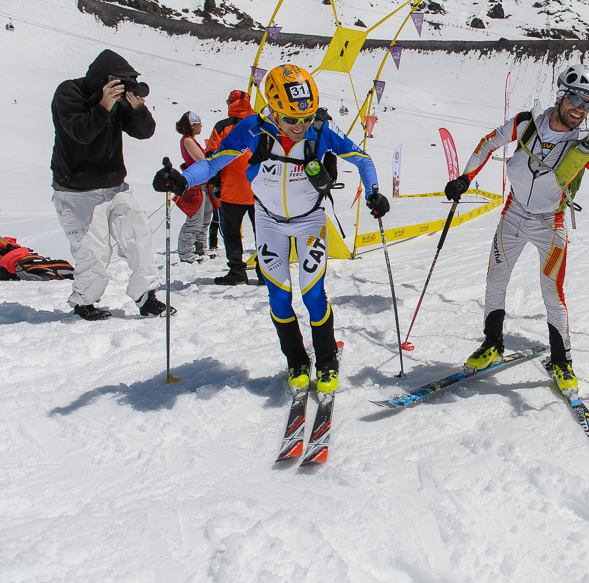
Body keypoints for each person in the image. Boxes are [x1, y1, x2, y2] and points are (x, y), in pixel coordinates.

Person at [153, 64, 390, 395]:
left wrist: (373, 191)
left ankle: (326, 360)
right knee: (279, 297)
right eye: (292, 119)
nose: (300, 126)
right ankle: (295, 359)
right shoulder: (253, 129)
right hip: (268, 222)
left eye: (306, 117)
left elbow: (362, 160)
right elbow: (211, 164)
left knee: (313, 295)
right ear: (273, 112)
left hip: (310, 220)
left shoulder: (321, 129)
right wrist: (181, 180)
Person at [443, 64, 589, 395]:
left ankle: (562, 361)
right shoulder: (527, 123)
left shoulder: (585, 144)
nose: (580, 110)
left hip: (549, 224)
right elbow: (487, 143)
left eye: (588, 104)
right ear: (562, 95)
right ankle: (492, 343)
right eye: (577, 99)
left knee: (552, 292)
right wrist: (464, 177)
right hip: (512, 214)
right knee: (496, 280)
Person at [50, 49, 169, 321]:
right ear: (103, 79)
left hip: (114, 187)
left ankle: (145, 295)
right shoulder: (69, 92)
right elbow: (81, 132)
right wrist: (103, 105)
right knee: (94, 252)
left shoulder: (118, 102)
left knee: (138, 235)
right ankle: (84, 302)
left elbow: (144, 132)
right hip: (76, 191)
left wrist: (137, 108)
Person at [205, 90, 262, 285]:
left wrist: (214, 184)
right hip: (261, 188)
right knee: (264, 232)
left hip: (231, 188)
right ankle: (266, 273)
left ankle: (237, 271)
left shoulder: (222, 126)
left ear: (230, 103)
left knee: (231, 232)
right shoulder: (261, 122)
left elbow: (212, 157)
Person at [175, 111, 217, 263]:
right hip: (196, 185)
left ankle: (200, 250)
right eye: (199, 124)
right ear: (192, 126)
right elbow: (202, 159)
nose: (201, 126)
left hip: (203, 185)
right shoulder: (188, 141)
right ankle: (186, 254)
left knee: (205, 220)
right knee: (195, 221)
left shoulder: (191, 140)